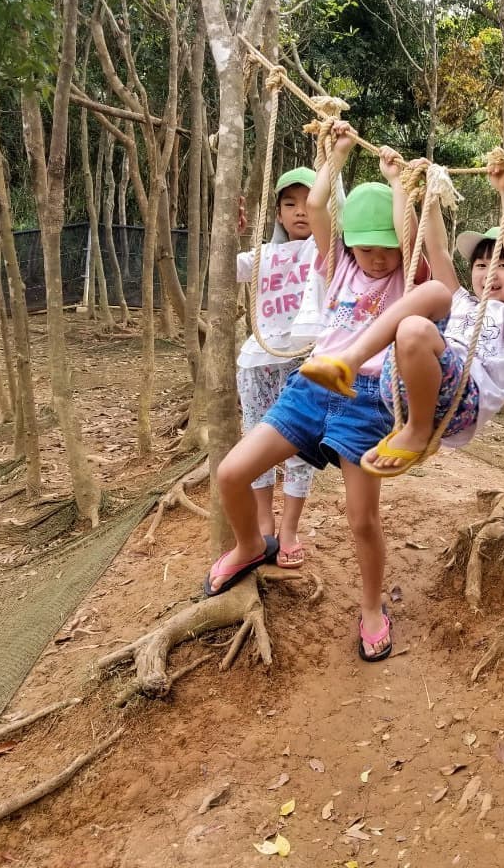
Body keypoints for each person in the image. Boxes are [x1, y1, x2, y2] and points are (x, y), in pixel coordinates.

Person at [203, 121, 420, 665]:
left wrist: (397, 184)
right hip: (309, 385)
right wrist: (338, 153)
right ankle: (252, 545)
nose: (376, 257)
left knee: (361, 518)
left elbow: (411, 241)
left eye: (386, 248)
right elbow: (321, 206)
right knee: (231, 472)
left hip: (365, 399)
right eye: (366, 246)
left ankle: (373, 608)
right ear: (350, 244)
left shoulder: (405, 281)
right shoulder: (336, 266)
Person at [301, 158, 504, 476]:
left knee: (418, 322)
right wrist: (430, 190)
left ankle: (416, 429)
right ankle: (348, 362)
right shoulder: (461, 301)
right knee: (432, 296)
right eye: (482, 265)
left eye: (501, 265)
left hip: (459, 402)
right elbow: (439, 250)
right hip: (401, 381)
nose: (490, 273)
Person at [234, 167, 319, 569]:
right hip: (258, 359)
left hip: (304, 359)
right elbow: (222, 268)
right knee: (256, 441)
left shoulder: (324, 251)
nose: (300, 211)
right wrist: (231, 231)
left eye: (308, 203)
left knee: (300, 445)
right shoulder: (262, 255)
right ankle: (264, 519)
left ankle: (289, 528)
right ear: (279, 214)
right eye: (290, 204)